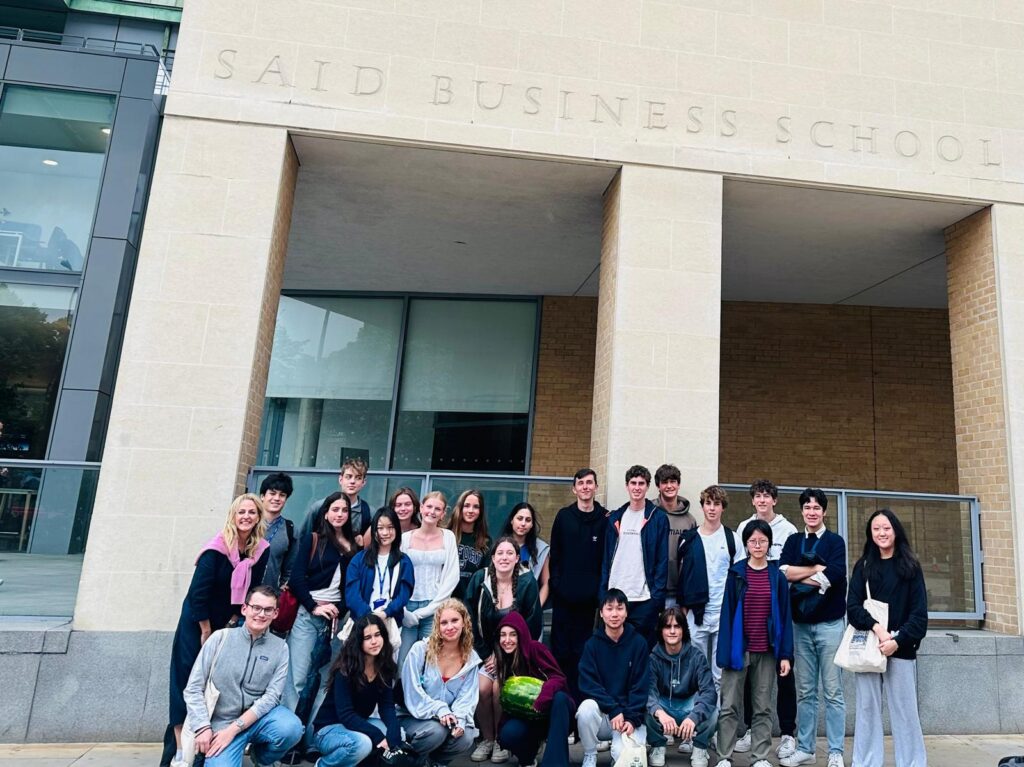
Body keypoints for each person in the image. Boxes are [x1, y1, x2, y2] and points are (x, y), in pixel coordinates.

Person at [162, 494, 270, 767]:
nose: (246, 516)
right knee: (187, 682)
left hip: (227, 624)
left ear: (258, 517)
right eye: (241, 512)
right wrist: (206, 631)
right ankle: (179, 753)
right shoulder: (217, 548)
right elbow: (197, 594)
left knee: (214, 684)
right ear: (233, 516)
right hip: (197, 623)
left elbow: (251, 592)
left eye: (252, 512)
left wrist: (234, 622)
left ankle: (202, 748)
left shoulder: (260, 550)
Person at [182, 585, 303, 767]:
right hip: (220, 724)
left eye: (268, 610)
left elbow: (272, 697)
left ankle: (260, 758)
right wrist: (203, 727)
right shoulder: (220, 639)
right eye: (256, 608)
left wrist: (235, 728)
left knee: (292, 728)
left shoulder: (280, 648)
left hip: (257, 720)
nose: (261, 614)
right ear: (244, 608)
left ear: (276, 613)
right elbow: (193, 688)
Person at [847, 509, 928, 767]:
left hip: (900, 649)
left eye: (886, 528)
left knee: (905, 712)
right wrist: (879, 630)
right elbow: (853, 609)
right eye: (876, 529)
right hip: (870, 648)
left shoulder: (911, 567)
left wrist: (897, 640)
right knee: (867, 710)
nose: (881, 533)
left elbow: (919, 616)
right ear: (870, 534)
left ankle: (912, 762)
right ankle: (866, 762)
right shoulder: (864, 567)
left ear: (895, 530)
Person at [715, 519, 794, 767]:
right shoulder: (736, 573)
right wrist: (725, 651)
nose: (757, 545)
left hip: (767, 650)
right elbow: (726, 614)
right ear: (746, 544)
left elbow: (785, 615)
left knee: (762, 707)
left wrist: (785, 655)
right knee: (729, 706)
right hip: (739, 648)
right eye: (752, 541)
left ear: (769, 543)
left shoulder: (776, 575)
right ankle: (724, 756)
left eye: (762, 540)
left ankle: (759, 757)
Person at [779, 488, 848, 767]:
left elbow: (833, 577)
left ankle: (835, 752)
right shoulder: (794, 540)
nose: (812, 512)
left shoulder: (835, 542)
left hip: (830, 625)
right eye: (807, 507)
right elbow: (783, 572)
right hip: (800, 626)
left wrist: (800, 575)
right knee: (806, 691)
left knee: (833, 691)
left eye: (817, 507)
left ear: (824, 511)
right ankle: (805, 747)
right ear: (802, 511)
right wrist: (813, 570)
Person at [734, 479, 799, 759]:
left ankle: (787, 733)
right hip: (752, 613)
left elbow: (793, 570)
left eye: (766, 496)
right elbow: (740, 567)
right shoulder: (743, 527)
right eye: (757, 496)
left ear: (774, 500)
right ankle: (751, 729)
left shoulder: (788, 529)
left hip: (780, 611)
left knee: (785, 673)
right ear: (753, 501)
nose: (762, 501)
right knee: (751, 677)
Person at [465, 537, 543, 763]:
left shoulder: (527, 582)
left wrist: (504, 656)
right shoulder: (481, 580)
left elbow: (533, 625)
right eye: (500, 553)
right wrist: (486, 654)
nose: (504, 558)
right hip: (486, 651)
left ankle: (501, 741)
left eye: (510, 553)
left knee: (500, 690)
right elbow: (470, 617)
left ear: (518, 558)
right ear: (492, 557)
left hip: (516, 654)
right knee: (482, 689)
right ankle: (487, 739)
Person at [285, 492, 358, 712]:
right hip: (308, 615)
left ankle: (312, 739)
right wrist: (314, 607)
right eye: (335, 509)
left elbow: (352, 586)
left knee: (326, 681)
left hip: (337, 621)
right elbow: (296, 579)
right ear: (325, 513)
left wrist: (340, 609)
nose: (340, 514)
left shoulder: (354, 546)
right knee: (297, 678)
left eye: (344, 510)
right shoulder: (313, 539)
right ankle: (287, 736)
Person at [311, 613, 403, 767]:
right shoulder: (346, 669)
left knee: (399, 734)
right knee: (363, 743)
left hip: (357, 725)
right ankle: (323, 764)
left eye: (377, 635)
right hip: (328, 730)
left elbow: (386, 706)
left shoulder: (384, 667)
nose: (374, 642)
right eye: (367, 638)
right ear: (358, 642)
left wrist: (393, 734)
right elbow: (346, 715)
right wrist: (378, 736)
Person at [549, 468, 608, 703]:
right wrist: (558, 586)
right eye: (580, 483)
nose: (585, 487)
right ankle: (564, 710)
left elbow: (607, 558)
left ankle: (583, 708)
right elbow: (555, 555)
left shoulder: (604, 519)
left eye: (589, 483)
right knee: (562, 655)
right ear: (574, 489)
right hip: (564, 601)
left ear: (595, 487)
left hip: (590, 604)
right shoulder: (564, 517)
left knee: (585, 657)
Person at [677, 485, 743, 693]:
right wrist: (683, 608)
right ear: (702, 506)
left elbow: (740, 577)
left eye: (716, 504)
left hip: (722, 613)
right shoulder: (689, 538)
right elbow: (682, 576)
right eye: (708, 503)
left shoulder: (733, 539)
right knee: (694, 669)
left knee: (719, 673)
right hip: (696, 613)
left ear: (723, 508)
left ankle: (716, 722)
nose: (712, 508)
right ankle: (695, 720)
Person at [400, 599, 481, 766]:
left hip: (446, 719)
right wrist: (440, 709)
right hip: (412, 716)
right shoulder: (420, 650)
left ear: (464, 622)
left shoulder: (471, 658)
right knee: (436, 732)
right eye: (444, 622)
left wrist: (459, 719)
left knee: (466, 736)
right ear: (437, 626)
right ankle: (411, 761)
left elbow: (467, 697)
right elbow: (412, 692)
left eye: (455, 620)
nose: (450, 627)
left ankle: (436, 763)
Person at [575, 588, 650, 767]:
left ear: (626, 612)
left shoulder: (638, 644)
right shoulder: (592, 645)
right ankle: (590, 754)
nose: (614, 614)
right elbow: (588, 684)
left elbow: (640, 687)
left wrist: (631, 718)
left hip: (629, 717)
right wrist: (613, 708)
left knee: (627, 760)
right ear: (601, 613)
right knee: (586, 709)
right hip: (602, 716)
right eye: (609, 609)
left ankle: (625, 746)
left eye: (619, 608)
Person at [493, 611, 576, 767]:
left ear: (521, 635)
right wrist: (501, 730)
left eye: (512, 635)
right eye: (503, 635)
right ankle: (528, 758)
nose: (507, 640)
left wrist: (543, 698)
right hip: (532, 717)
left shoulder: (535, 649)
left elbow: (558, 678)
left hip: (557, 712)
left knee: (559, 698)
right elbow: (509, 704)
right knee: (508, 733)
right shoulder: (504, 660)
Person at [601, 464, 669, 649]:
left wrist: (656, 598)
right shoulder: (615, 517)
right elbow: (606, 559)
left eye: (641, 483)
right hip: (616, 596)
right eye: (633, 483)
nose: (637, 487)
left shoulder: (658, 518)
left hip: (644, 599)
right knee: (614, 649)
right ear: (627, 486)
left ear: (647, 487)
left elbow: (662, 561)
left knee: (641, 652)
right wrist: (603, 592)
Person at [646, 607, 718, 767]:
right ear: (661, 631)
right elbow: (649, 692)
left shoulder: (696, 656)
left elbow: (709, 693)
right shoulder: (653, 658)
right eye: (668, 626)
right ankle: (658, 746)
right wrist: (659, 712)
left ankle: (700, 747)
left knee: (714, 710)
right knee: (645, 708)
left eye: (677, 626)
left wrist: (694, 716)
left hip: (689, 706)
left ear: (683, 630)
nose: (672, 631)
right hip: (664, 706)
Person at [400, 490, 460, 669]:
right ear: (421, 508)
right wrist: (402, 609)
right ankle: (402, 696)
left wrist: (429, 609)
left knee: (430, 659)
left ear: (443, 514)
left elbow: (452, 575)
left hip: (435, 606)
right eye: (429, 507)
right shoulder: (405, 539)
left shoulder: (447, 537)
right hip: (407, 607)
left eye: (437, 509)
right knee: (404, 658)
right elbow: (397, 575)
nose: (432, 512)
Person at [344, 508, 415, 630]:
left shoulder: (404, 561)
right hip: (362, 622)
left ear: (397, 529)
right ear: (374, 530)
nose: (385, 533)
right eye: (380, 528)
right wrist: (368, 615)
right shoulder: (359, 559)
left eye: (390, 527)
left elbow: (404, 594)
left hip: (390, 622)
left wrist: (387, 612)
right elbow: (352, 594)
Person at [300, 457, 372, 545]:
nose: (352, 481)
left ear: (363, 482)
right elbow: (303, 540)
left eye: (358, 478)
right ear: (341, 479)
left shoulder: (368, 512)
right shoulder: (319, 507)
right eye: (348, 477)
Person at [655, 464, 695, 609]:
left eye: (673, 482)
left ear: (678, 485)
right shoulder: (650, 514)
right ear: (658, 486)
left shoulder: (689, 520)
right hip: (652, 590)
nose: (669, 486)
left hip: (678, 593)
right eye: (665, 482)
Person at [501, 502, 550, 606]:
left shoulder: (541, 549)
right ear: (512, 520)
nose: (523, 523)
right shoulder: (500, 546)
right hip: (502, 607)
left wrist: (536, 609)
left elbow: (546, 583)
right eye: (519, 518)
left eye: (528, 520)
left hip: (530, 607)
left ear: (532, 524)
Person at [446, 488, 491, 599]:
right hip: (445, 600)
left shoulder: (486, 542)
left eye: (476, 507)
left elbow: (485, 578)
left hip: (471, 602)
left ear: (481, 511)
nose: (471, 510)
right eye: (466, 506)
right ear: (459, 508)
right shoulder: (446, 535)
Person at [259, 472, 296, 590]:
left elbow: (289, 570)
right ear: (262, 496)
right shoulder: (248, 523)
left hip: (270, 597)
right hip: (239, 597)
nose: (276, 498)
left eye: (282, 495)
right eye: (272, 493)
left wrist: (282, 592)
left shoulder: (290, 529)